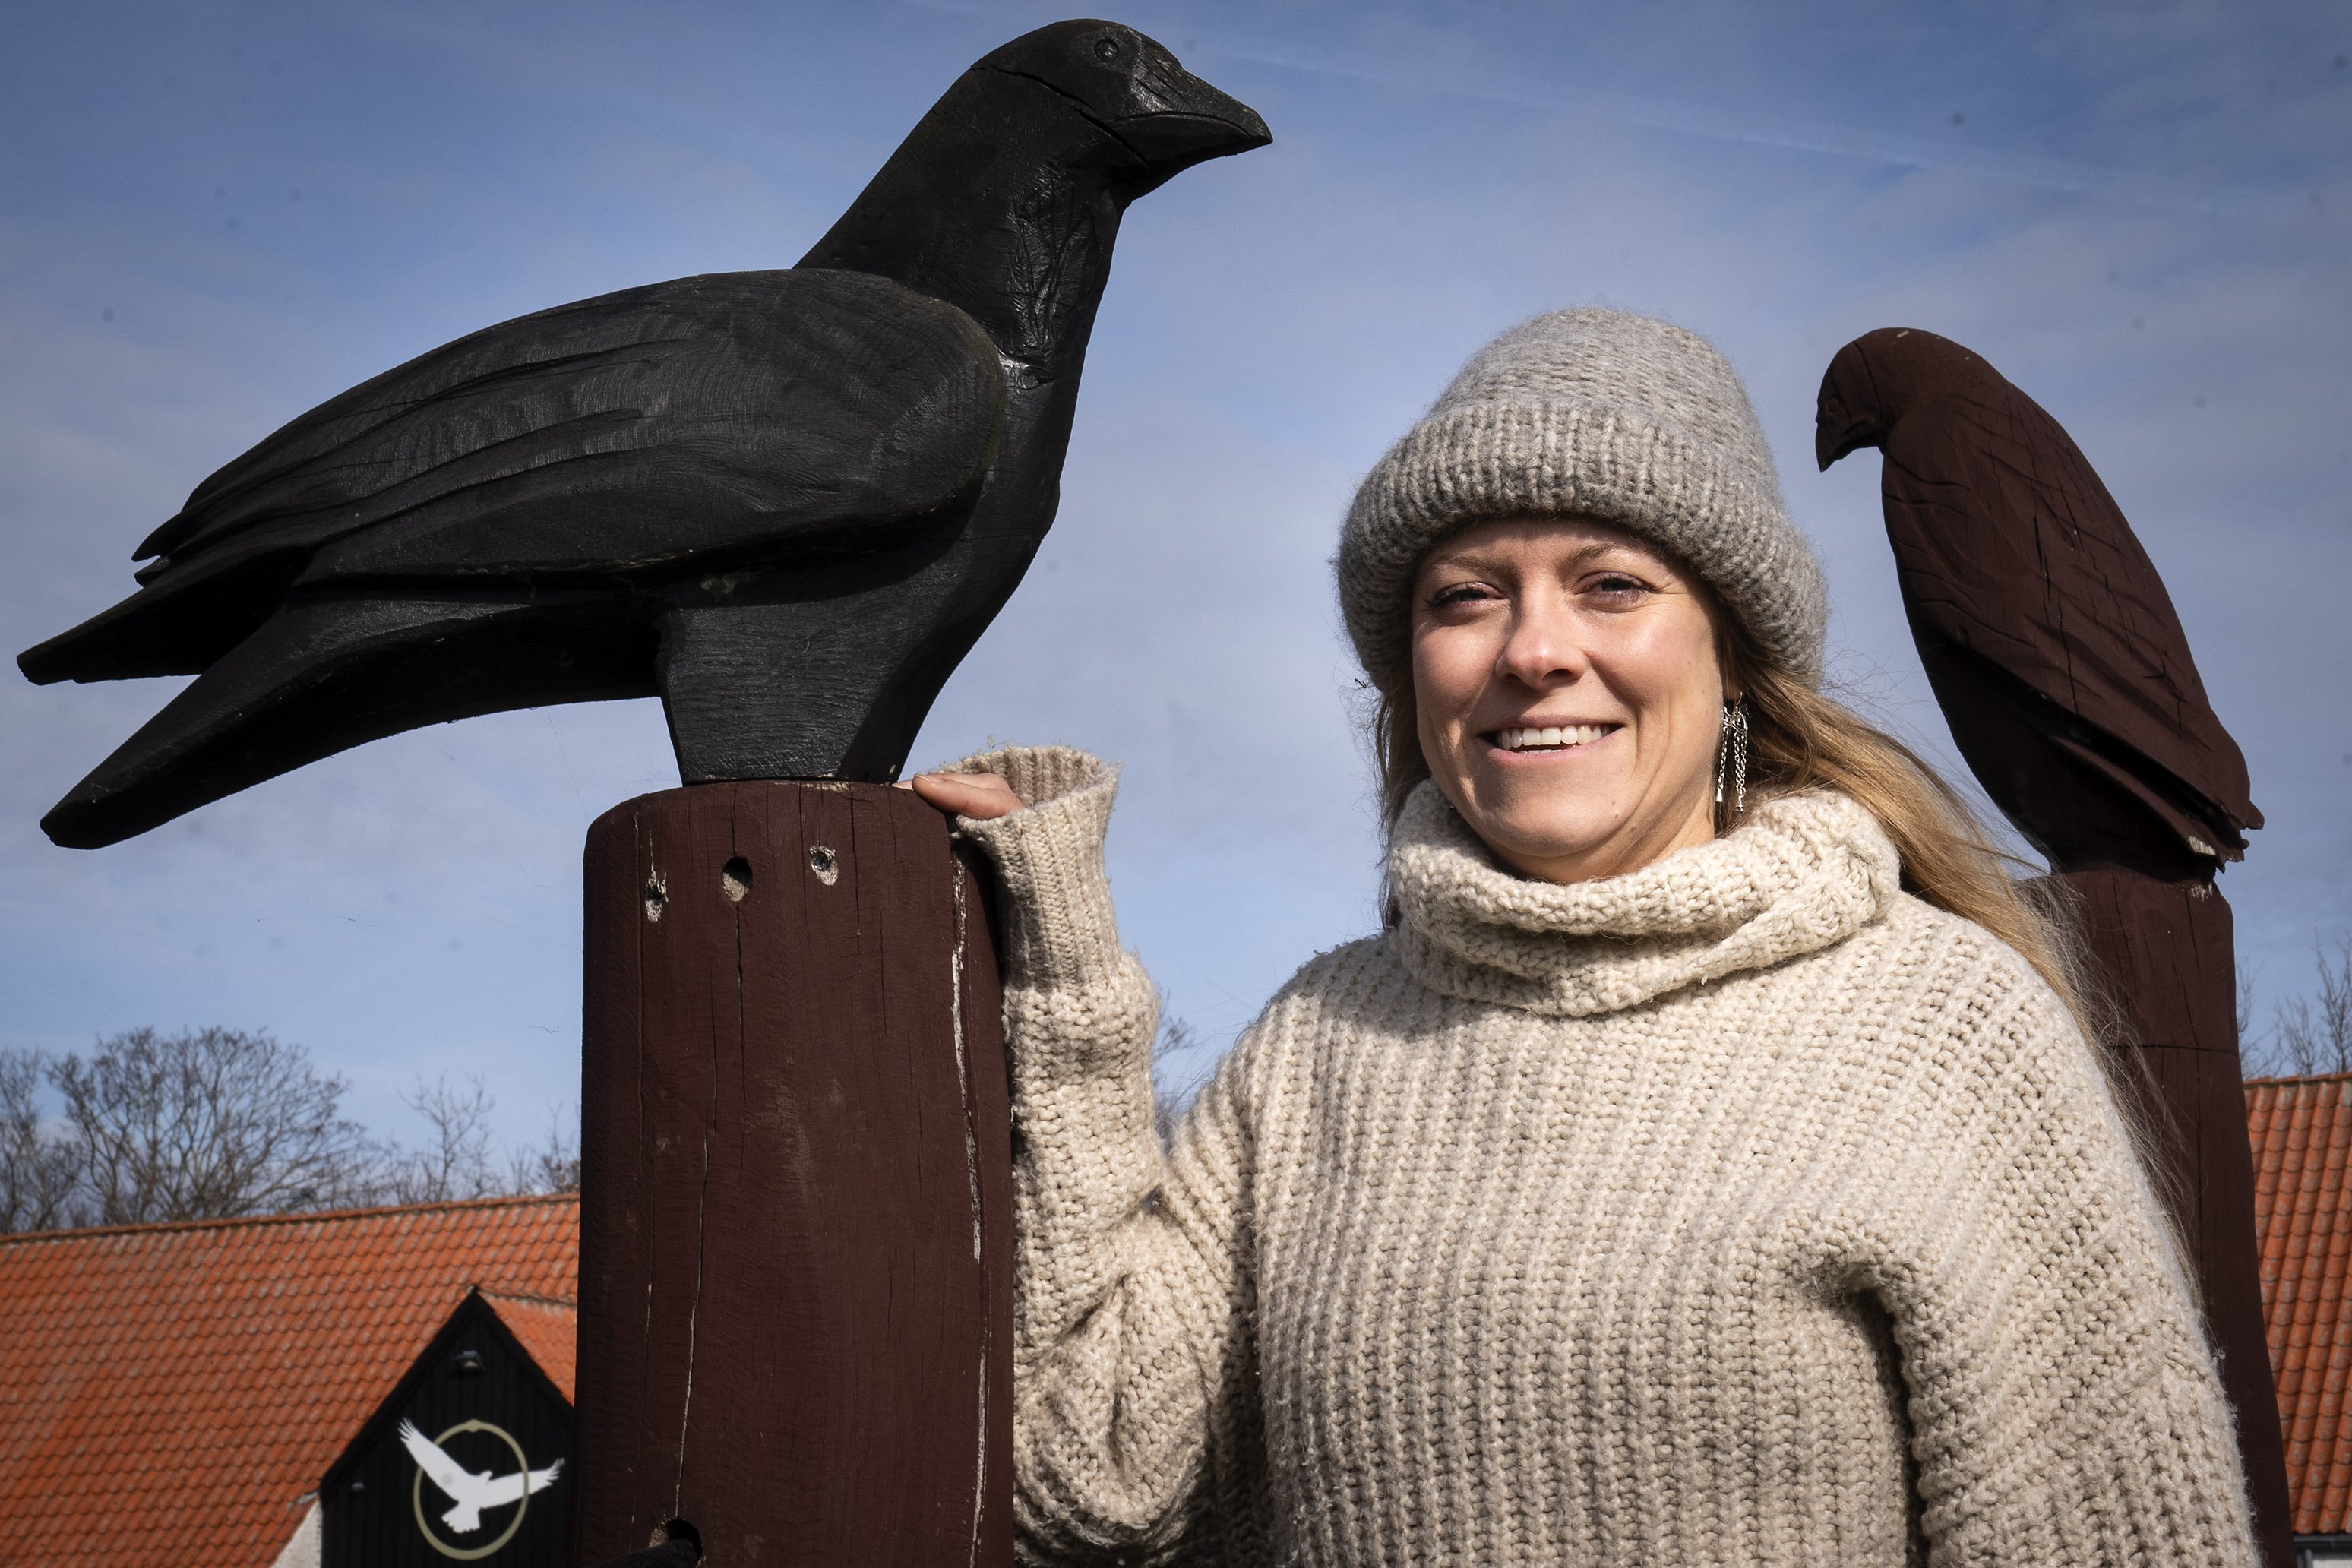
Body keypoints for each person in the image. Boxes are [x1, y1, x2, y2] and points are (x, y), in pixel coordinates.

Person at [906, 308, 2258, 1565]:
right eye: (1465, 596)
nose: (1533, 650)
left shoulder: (1943, 1025)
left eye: (1611, 585)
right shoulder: (1318, 1045)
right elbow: (1086, 1488)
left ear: (1730, 660)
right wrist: (1062, 974)